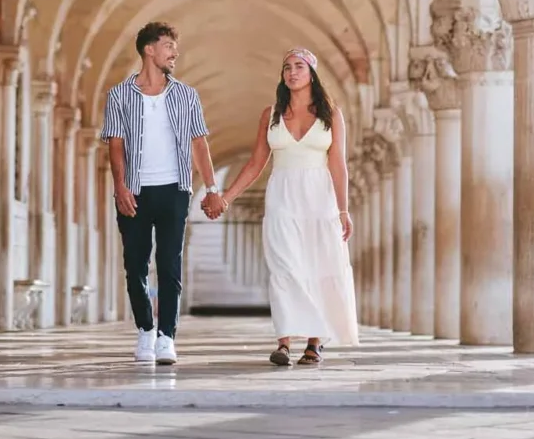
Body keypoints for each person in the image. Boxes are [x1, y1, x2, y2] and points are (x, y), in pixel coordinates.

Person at [203, 47, 358, 366]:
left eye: (299, 66)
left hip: (319, 197)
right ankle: (284, 342)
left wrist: (343, 210)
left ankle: (315, 342)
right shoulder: (271, 114)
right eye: (286, 67)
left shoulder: (332, 114)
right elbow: (256, 163)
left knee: (317, 266)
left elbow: (338, 165)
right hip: (282, 194)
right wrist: (226, 197)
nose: (292, 72)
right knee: (284, 267)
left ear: (312, 73)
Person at [101, 21, 218, 365]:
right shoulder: (118, 95)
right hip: (135, 190)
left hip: (175, 188)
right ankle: (145, 330)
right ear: (148, 49)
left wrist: (211, 188)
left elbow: (200, 143)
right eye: (168, 45)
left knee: (169, 264)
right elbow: (116, 145)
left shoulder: (187, 95)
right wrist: (119, 185)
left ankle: (167, 336)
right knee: (134, 264)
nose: (174, 53)